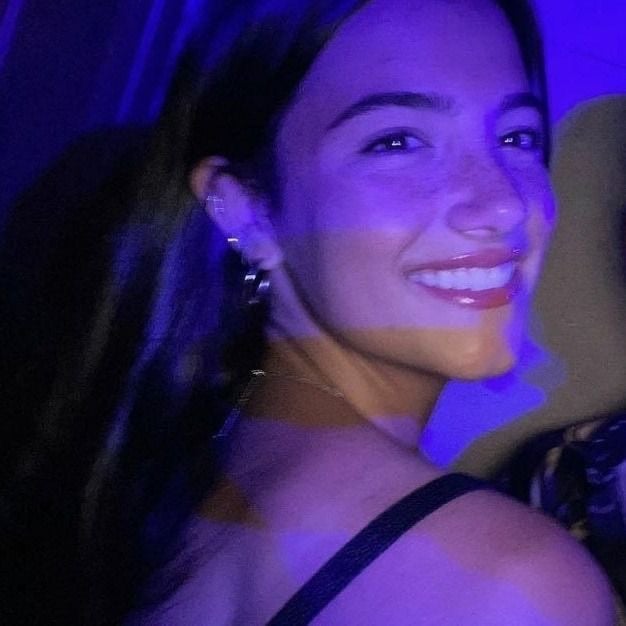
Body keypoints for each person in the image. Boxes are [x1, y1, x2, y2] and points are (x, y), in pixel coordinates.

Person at [0, 1, 615, 624]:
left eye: (517, 137)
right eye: (397, 141)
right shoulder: (508, 584)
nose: (504, 204)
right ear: (245, 208)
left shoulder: (161, 464)